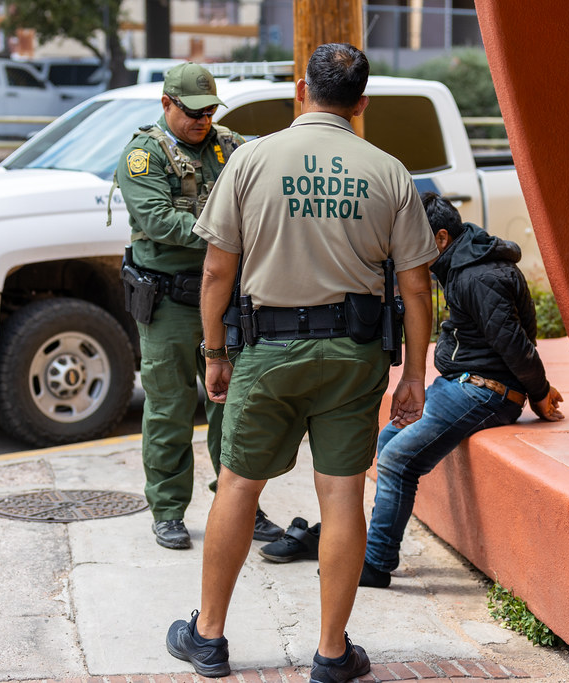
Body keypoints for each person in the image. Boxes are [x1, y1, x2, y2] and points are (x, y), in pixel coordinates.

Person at [165, 43, 439, 681]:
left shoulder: (250, 160)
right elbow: (417, 287)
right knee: (341, 495)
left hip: (268, 353)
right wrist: (415, 376)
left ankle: (208, 638)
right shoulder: (389, 172)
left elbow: (216, 271)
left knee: (238, 485)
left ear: (300, 90)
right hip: (353, 356)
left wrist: (214, 352)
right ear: (361, 104)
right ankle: (332, 653)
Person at [115, 62, 284, 550]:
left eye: (209, 111)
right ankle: (168, 511)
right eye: (192, 112)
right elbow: (159, 221)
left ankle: (239, 506)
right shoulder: (143, 156)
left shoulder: (230, 146)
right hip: (169, 302)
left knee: (234, 410)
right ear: (166, 104)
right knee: (169, 411)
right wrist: (230, 229)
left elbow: (264, 198)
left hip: (225, 300)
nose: (202, 120)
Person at [358, 192, 565, 589]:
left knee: (398, 459)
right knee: (388, 440)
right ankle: (374, 549)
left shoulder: (478, 276)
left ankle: (376, 563)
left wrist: (539, 393)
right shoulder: (460, 263)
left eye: (412, 240)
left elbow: (514, 344)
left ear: (440, 238)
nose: (405, 250)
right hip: (461, 384)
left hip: (486, 392)